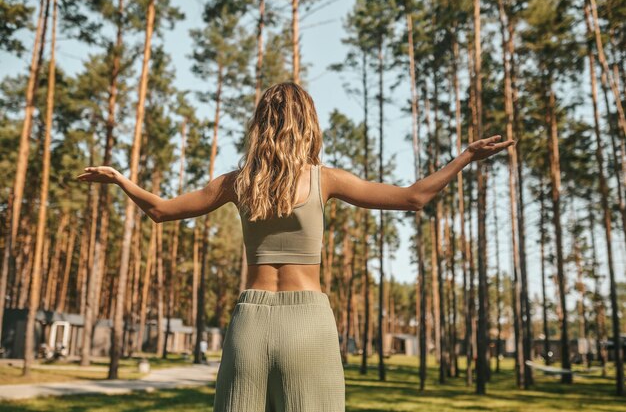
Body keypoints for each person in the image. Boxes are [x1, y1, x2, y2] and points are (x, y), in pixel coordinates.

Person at [76, 81, 513, 412]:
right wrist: (465, 157)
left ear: (260, 123)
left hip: (251, 321)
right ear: (308, 123)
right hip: (309, 322)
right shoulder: (325, 179)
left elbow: (161, 211)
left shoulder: (236, 182)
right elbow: (414, 197)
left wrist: (120, 179)